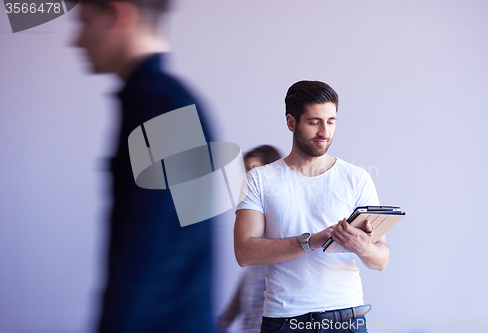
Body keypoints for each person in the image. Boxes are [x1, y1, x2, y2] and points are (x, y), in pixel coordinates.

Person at [72, 0, 215, 332]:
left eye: (85, 21)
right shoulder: (168, 100)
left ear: (120, 15)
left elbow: (149, 249)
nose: (77, 40)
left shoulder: (156, 104)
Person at [234, 81, 390, 333]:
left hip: (346, 319)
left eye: (331, 121)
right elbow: (244, 252)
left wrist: (363, 248)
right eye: (314, 121)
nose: (324, 132)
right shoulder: (260, 179)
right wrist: (311, 241)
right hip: (285, 321)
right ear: (291, 122)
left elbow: (382, 260)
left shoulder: (357, 178)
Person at [217, 145, 281, 333]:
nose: (246, 177)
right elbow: (252, 273)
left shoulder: (284, 223)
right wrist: (226, 318)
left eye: (253, 170)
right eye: (245, 170)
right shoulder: (255, 220)